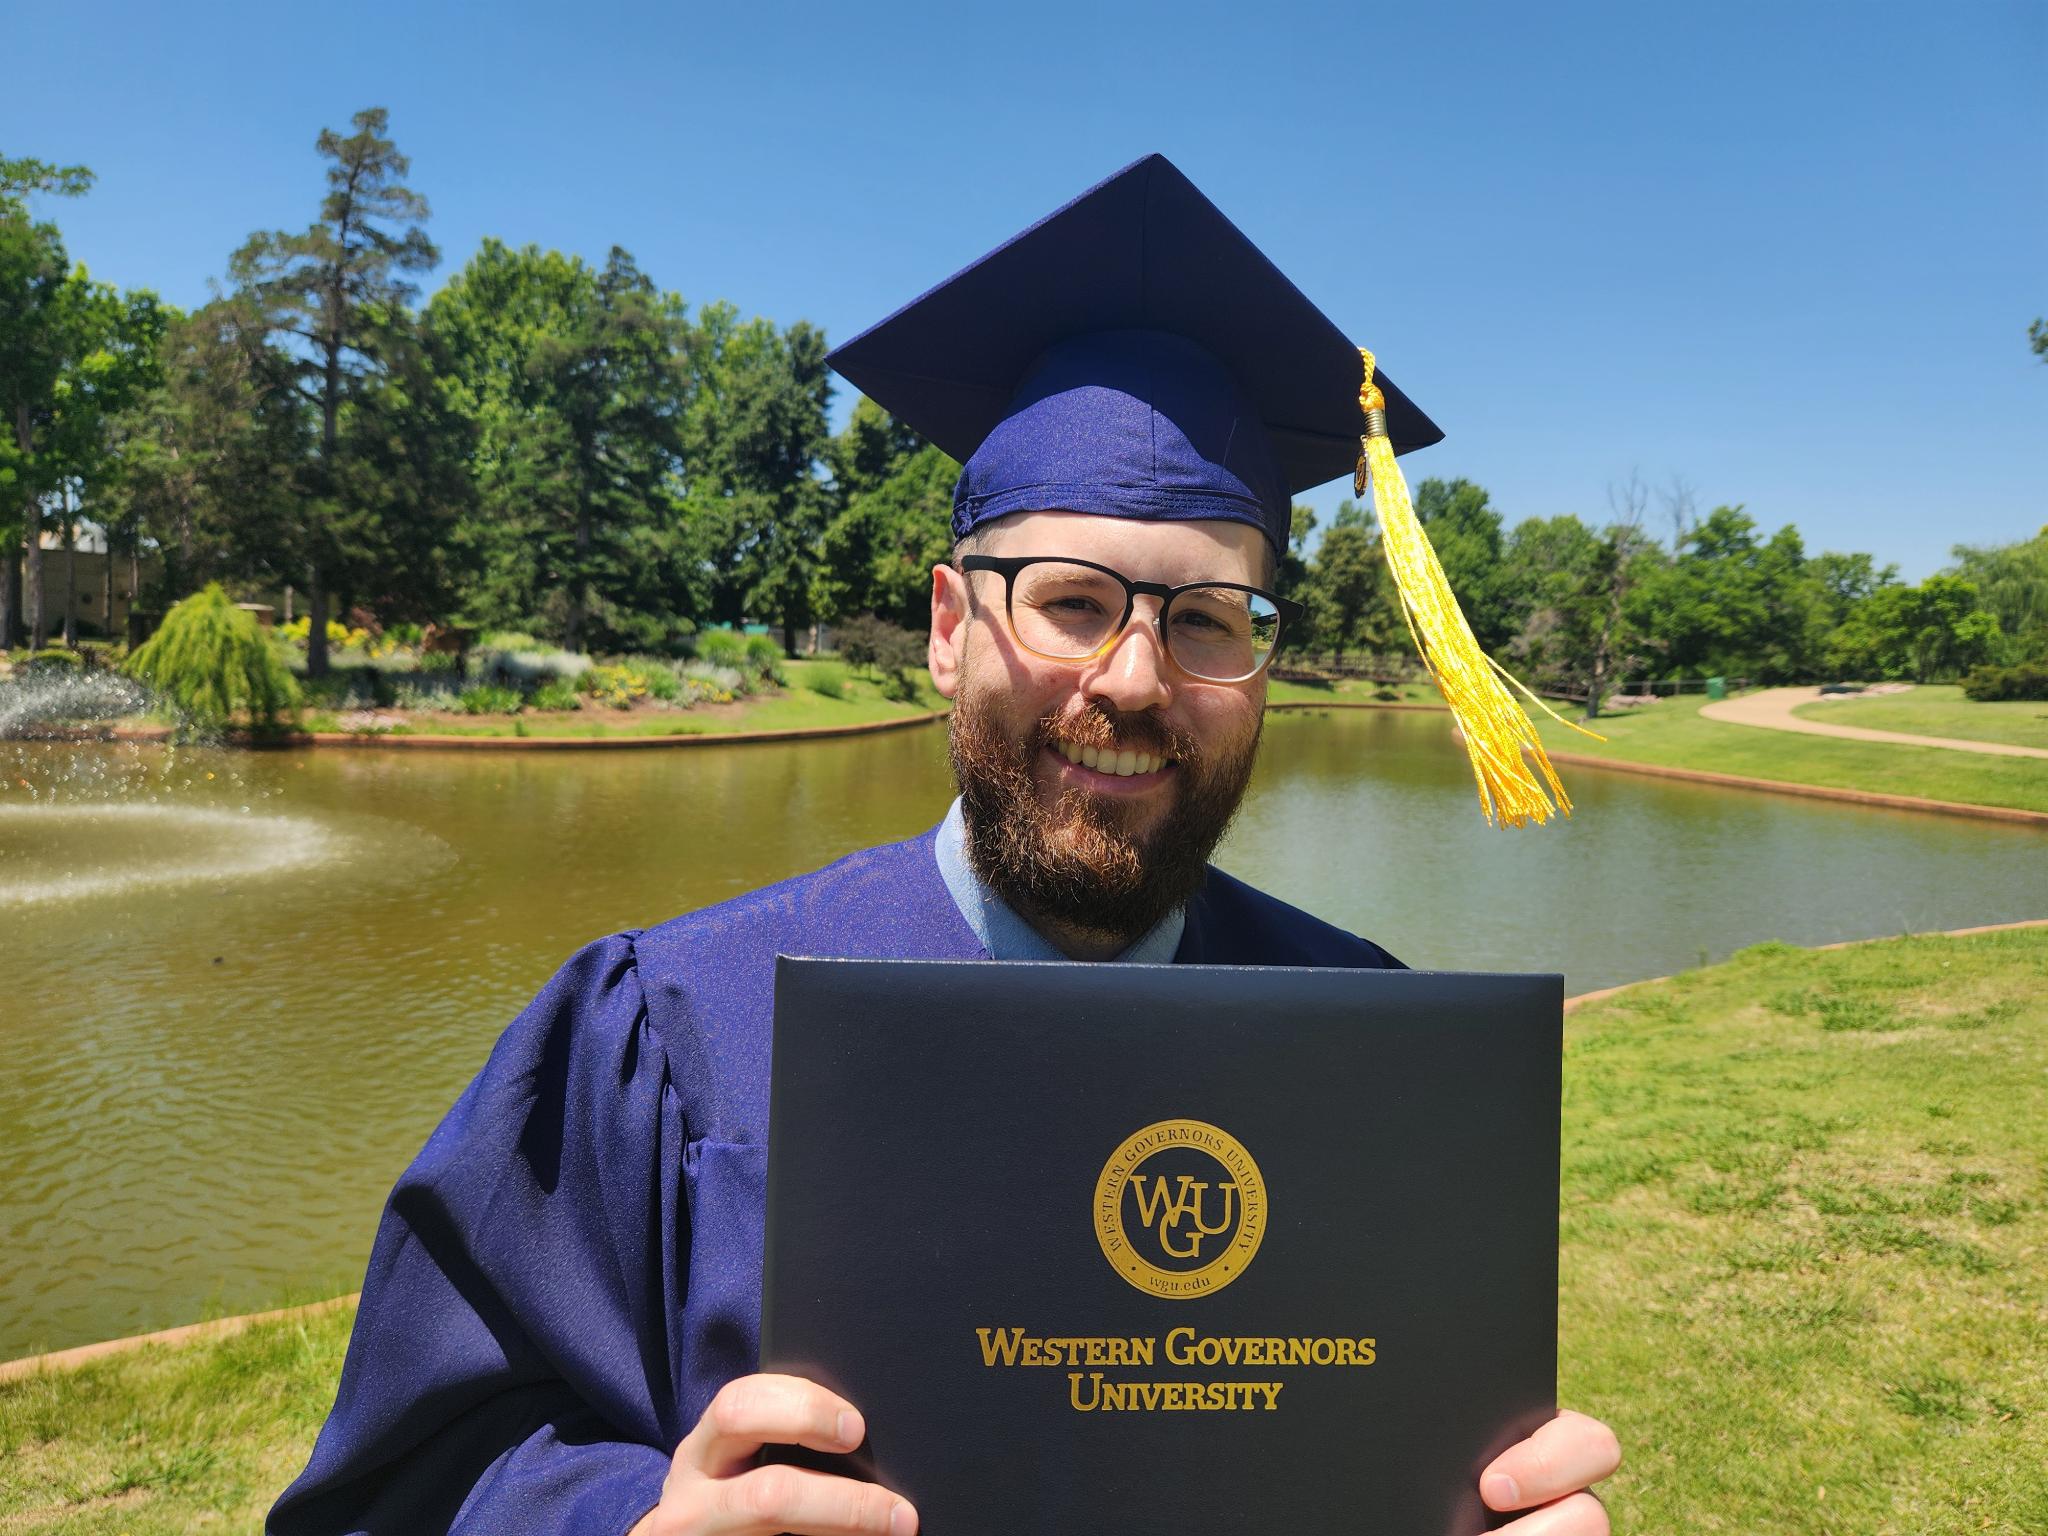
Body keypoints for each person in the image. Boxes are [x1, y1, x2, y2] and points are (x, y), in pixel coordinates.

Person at [270, 154, 1619, 1536]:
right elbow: (417, 1477)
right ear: (944, 627)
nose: (1137, 680)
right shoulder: (675, 1033)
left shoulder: (1376, 1048)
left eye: (1211, 616)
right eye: (1070, 599)